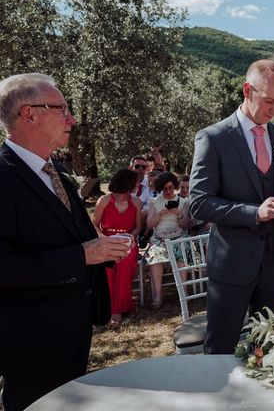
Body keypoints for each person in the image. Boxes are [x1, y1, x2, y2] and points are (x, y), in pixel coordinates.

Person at [0, 73, 129, 411]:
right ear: (30, 114)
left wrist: (106, 250)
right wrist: (83, 255)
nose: (71, 118)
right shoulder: (2, 176)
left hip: (74, 330)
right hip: (30, 341)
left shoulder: (56, 172)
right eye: (62, 108)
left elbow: (77, 237)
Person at [189, 59, 274, 354]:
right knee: (220, 348)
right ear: (246, 90)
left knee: (271, 348)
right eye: (269, 101)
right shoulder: (213, 138)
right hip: (232, 264)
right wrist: (255, 212)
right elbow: (199, 203)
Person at [92, 168, 143, 328]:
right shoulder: (105, 200)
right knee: (106, 265)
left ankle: (117, 310)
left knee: (123, 262)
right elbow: (93, 225)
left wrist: (130, 237)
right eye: (135, 182)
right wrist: (105, 240)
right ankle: (104, 307)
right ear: (127, 183)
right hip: (106, 240)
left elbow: (138, 227)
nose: (137, 185)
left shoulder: (136, 202)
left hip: (127, 242)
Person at [144, 171, 190, 308]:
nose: (168, 191)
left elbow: (185, 225)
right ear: (160, 189)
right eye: (165, 189)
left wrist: (180, 215)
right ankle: (158, 295)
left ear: (174, 186)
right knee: (155, 256)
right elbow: (149, 224)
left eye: (170, 188)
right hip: (160, 238)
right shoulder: (155, 202)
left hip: (178, 236)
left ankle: (183, 292)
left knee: (181, 253)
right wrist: (159, 215)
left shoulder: (182, 202)